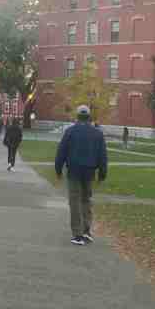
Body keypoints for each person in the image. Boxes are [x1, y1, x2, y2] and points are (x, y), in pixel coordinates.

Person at [55, 104, 108, 246]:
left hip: (74, 171)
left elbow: (61, 152)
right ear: (89, 117)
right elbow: (103, 156)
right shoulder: (97, 133)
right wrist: (102, 173)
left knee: (75, 201)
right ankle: (86, 230)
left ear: (77, 116)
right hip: (89, 171)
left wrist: (58, 169)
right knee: (86, 200)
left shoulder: (70, 132)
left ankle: (78, 234)